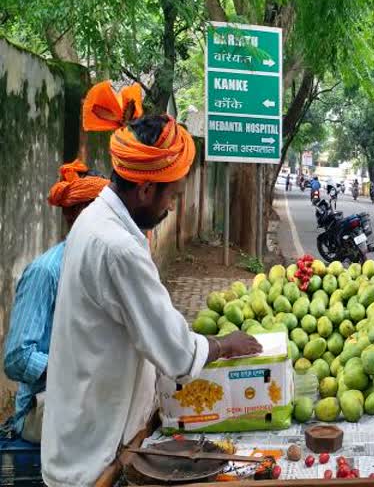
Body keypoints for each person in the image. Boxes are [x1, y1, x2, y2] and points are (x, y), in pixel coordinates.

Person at [41, 81, 263, 487]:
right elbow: (176, 352)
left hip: (93, 435)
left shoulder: (96, 221)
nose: (173, 206)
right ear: (145, 188)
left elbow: (142, 325)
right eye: (172, 196)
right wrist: (222, 345)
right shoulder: (118, 246)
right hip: (93, 458)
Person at [2, 161, 109, 444]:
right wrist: (78, 370)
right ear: (73, 214)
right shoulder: (46, 272)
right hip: (45, 405)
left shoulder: (103, 264)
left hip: (87, 395)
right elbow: (16, 359)